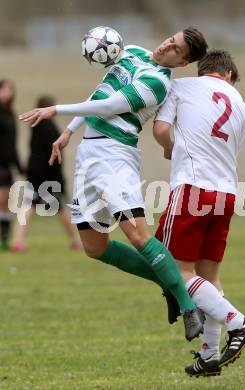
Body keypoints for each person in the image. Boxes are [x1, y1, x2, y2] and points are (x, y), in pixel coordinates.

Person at [19, 27, 208, 342]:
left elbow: (111, 107)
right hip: (89, 155)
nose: (167, 45)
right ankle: (169, 282)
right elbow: (99, 95)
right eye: (170, 39)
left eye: (175, 49)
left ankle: (189, 306)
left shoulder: (158, 84)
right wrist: (69, 131)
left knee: (137, 234)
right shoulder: (131, 50)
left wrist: (57, 109)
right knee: (94, 247)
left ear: (182, 63)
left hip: (115, 155)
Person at [153, 50, 245, 376]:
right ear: (228, 74)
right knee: (208, 276)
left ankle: (237, 322)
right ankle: (210, 354)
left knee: (174, 267)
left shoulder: (182, 87)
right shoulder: (241, 104)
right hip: (226, 193)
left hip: (193, 188)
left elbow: (159, 129)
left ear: (206, 70)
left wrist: (169, 148)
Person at [11, 95, 81, 253]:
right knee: (62, 207)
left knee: (28, 206)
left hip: (34, 174)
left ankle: (17, 241)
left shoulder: (35, 126)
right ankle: (76, 240)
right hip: (49, 176)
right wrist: (59, 178)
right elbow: (54, 153)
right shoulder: (49, 126)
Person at [0, 79, 24, 251]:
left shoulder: (10, 113)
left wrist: (19, 166)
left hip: (6, 164)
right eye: (5, 89)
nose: (9, 92)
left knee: (5, 204)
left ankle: (5, 239)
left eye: (11, 89)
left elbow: (12, 144)